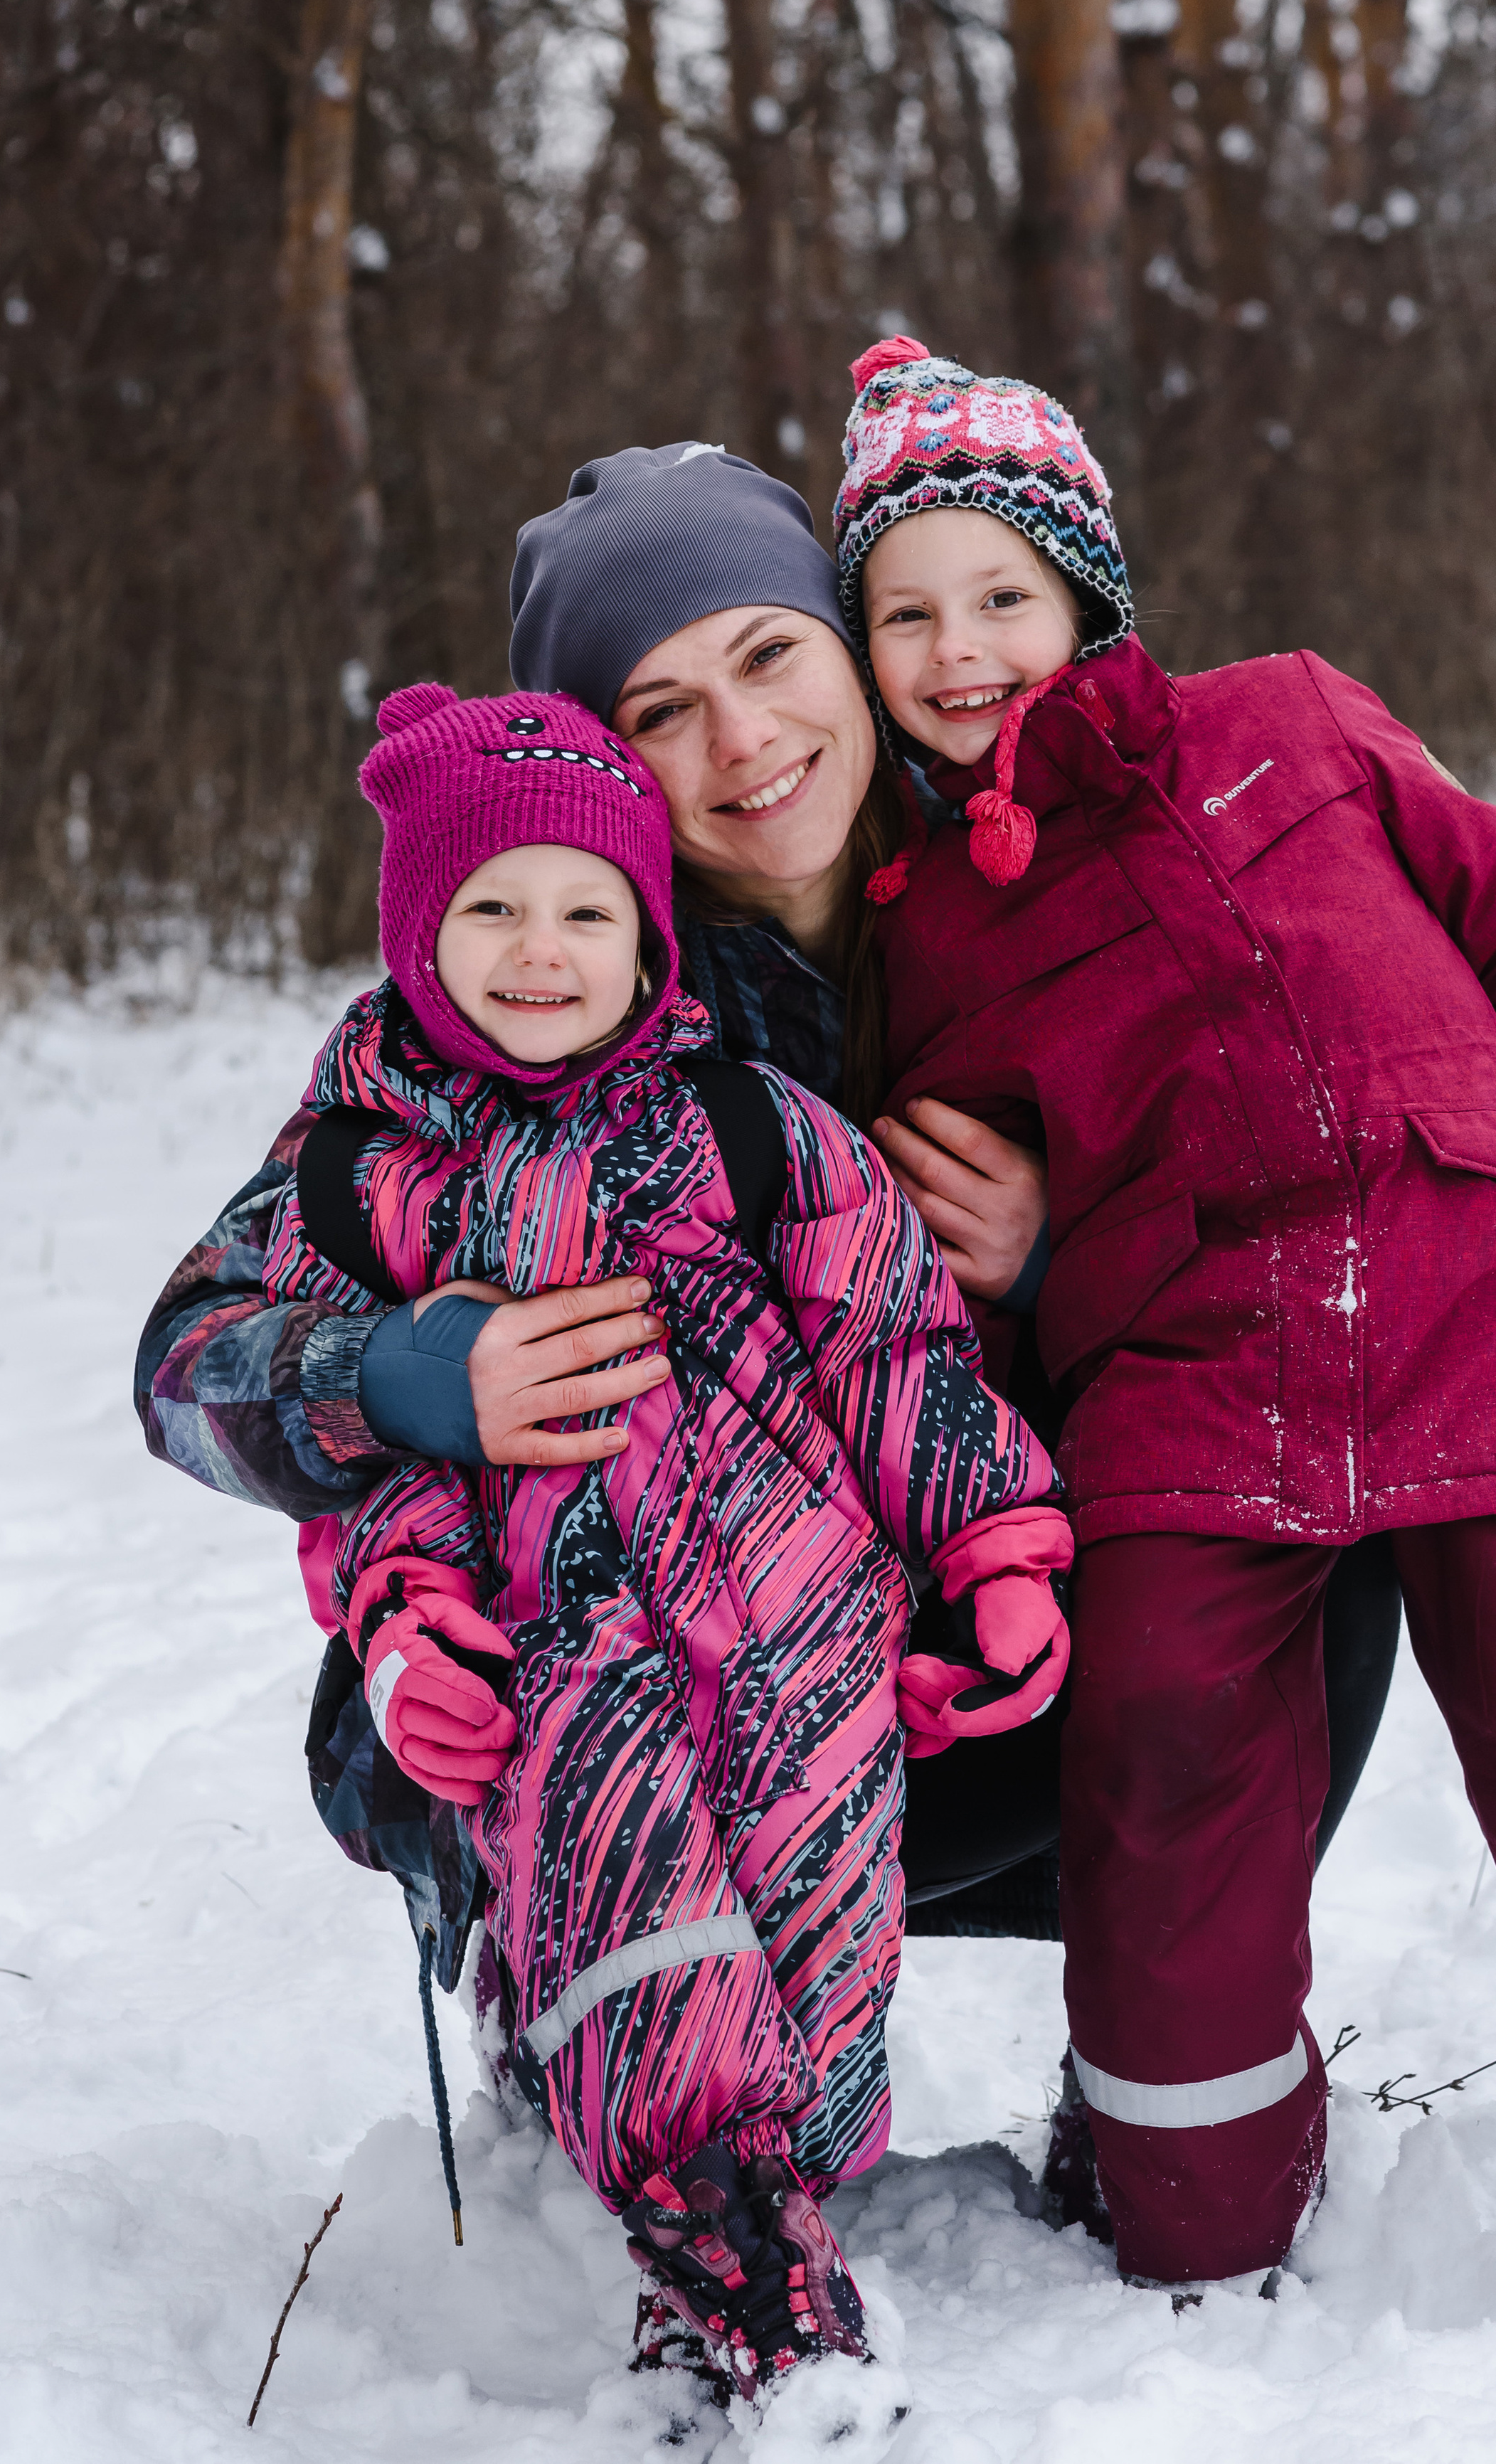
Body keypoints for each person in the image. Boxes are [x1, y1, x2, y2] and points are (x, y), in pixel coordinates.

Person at [834, 334, 1496, 2362]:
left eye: (1001, 594)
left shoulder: (1293, 722)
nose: (960, 648)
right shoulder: (925, 932)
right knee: (1167, 1775)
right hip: (1193, 1380)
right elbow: (955, 1222)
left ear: (1087, 593)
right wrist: (1022, 1276)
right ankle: (1191, 2242)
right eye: (905, 612)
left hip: (1487, 1301)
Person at [135, 445, 1404, 1957]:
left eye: (767, 654)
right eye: (658, 710)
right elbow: (183, 1364)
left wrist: (1067, 1256)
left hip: (949, 1638)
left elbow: (1301, 1251)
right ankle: (603, 2038)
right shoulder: (538, 991)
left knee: (1314, 1516)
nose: (742, 739)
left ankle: (1163, 2074)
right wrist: (409, 1376)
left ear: (851, 656)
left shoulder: (1041, 890)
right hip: (633, 1684)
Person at [259, 674, 1070, 2411]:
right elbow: (340, 1448)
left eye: (586, 911)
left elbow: (892, 1344)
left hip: (804, 1622)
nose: (538, 951)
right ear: (415, 929)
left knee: (812, 1950)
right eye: (488, 907)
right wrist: (400, 1620)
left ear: (647, 936)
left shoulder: (750, 1133)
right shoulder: (358, 1179)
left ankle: (737, 2214)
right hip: (550, 1638)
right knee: (634, 1918)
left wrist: (995, 1543)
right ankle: (762, 2309)